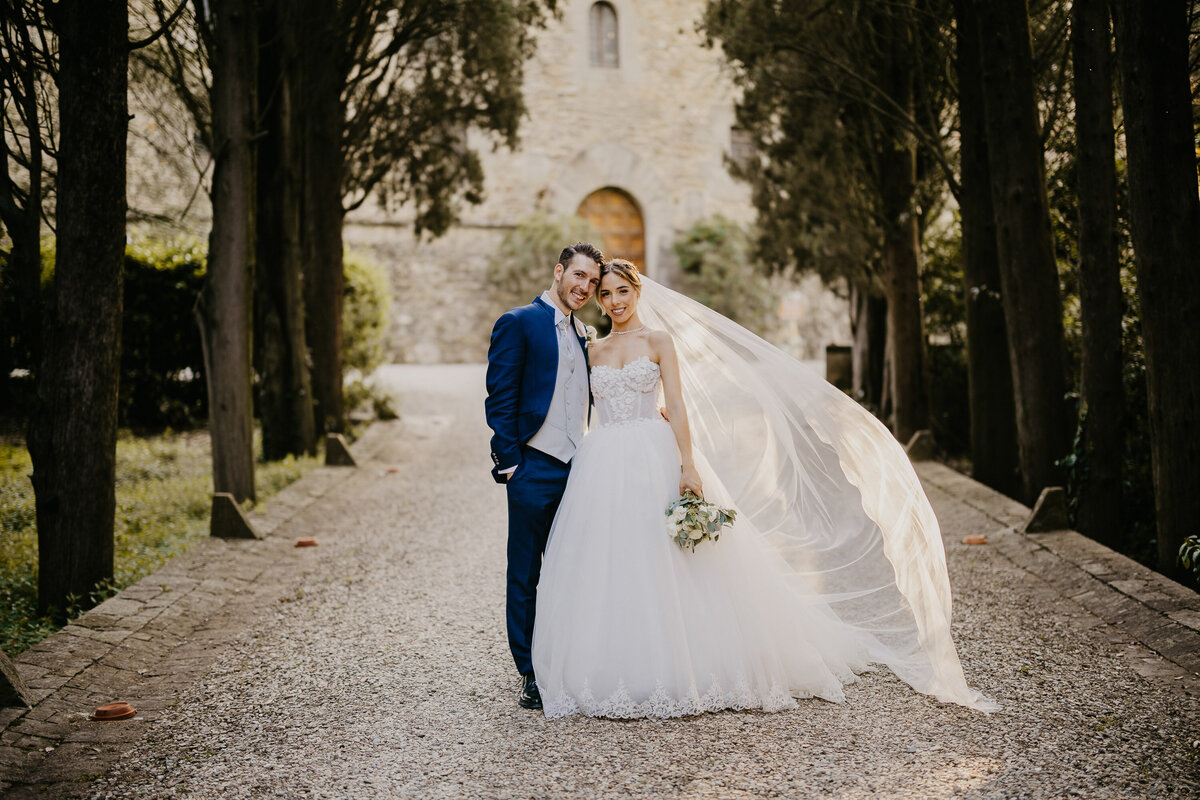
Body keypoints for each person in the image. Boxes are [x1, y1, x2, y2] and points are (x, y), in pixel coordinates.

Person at [531, 259, 997, 718]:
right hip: (604, 462)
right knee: (612, 559)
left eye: (621, 291)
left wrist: (688, 463)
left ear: (637, 291)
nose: (613, 301)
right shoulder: (592, 348)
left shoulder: (659, 340)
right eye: (605, 293)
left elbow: (675, 401)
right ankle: (615, 659)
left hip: (654, 454)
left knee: (672, 558)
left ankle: (687, 658)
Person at [484, 242, 605, 710]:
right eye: (578, 276)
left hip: (579, 471)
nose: (585, 287)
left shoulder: (585, 333)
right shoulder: (519, 322)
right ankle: (530, 672)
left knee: (570, 570)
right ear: (558, 272)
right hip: (533, 467)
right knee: (526, 572)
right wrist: (512, 465)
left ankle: (565, 660)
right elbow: (500, 399)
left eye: (593, 282)